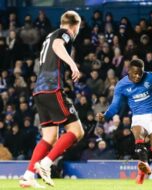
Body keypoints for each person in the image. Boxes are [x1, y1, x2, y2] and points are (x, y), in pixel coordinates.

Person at [19, 10, 84, 188]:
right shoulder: (64, 33)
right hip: (52, 88)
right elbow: (57, 46)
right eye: (78, 28)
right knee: (77, 131)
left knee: (49, 137)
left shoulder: (49, 35)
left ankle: (28, 175)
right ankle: (46, 164)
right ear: (75, 25)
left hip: (39, 91)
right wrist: (72, 64)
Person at [97, 58, 152, 184]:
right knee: (139, 138)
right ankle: (143, 166)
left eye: (140, 74)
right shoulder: (121, 85)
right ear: (128, 72)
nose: (138, 76)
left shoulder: (151, 77)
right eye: (134, 74)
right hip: (138, 117)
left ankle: (141, 172)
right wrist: (106, 115)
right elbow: (115, 105)